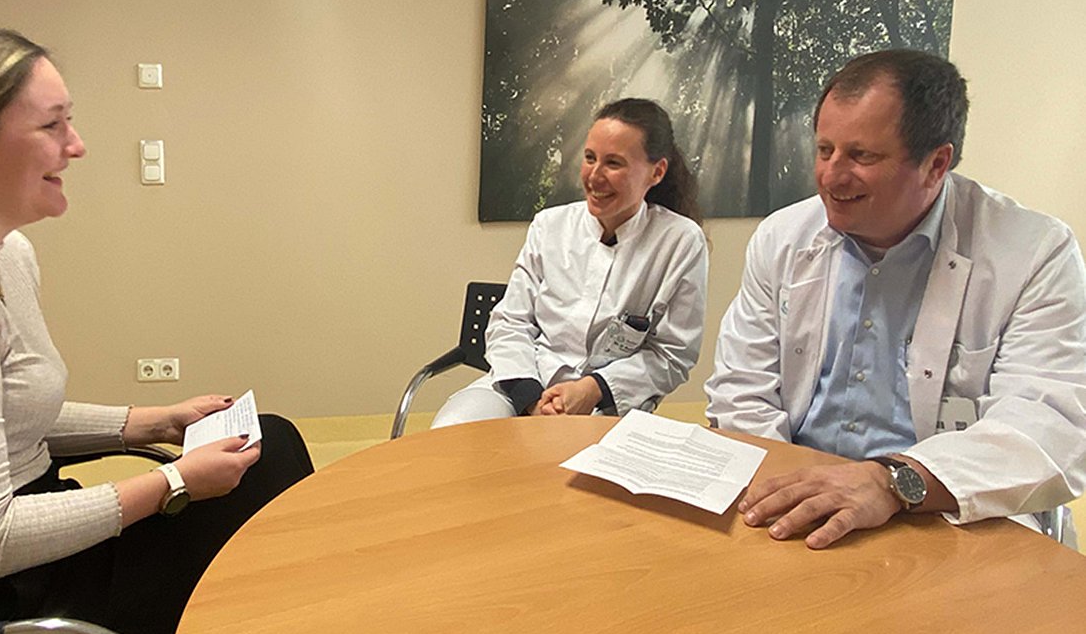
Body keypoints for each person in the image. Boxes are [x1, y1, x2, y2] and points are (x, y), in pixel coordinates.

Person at [0, 28, 314, 634]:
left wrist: (151, 422)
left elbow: (1, 418)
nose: (78, 145)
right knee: (266, 510)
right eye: (53, 125)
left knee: (271, 445)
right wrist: (173, 480)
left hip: (17, 562)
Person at [706, 49, 1086, 550]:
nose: (831, 176)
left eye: (861, 156)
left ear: (936, 164)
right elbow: (741, 391)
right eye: (824, 150)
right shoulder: (783, 238)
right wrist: (801, 494)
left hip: (948, 514)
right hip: (802, 510)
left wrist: (893, 482)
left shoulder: (1033, 252)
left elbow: (1051, 428)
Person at [431, 98, 707, 427]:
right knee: (452, 437)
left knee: (574, 473)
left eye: (614, 163)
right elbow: (509, 322)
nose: (594, 176)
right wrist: (530, 398)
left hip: (608, 404)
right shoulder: (550, 226)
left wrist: (592, 389)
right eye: (590, 158)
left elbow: (672, 355)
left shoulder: (680, 242)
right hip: (520, 384)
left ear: (657, 171)